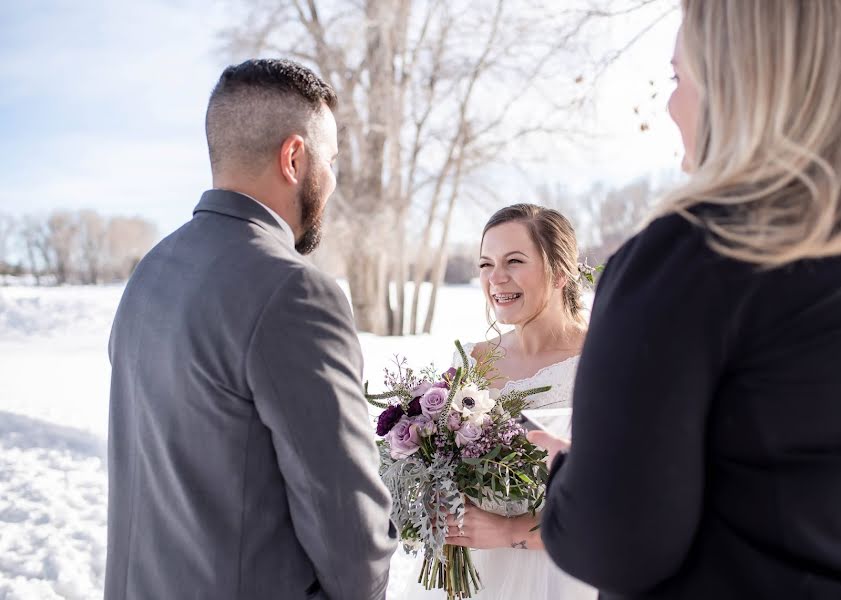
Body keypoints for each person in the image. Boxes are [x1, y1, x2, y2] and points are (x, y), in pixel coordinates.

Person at [536, 1, 841, 598]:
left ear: (738, 82)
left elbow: (614, 542)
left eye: (678, 78)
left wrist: (568, 476)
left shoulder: (692, 259)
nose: (669, 105)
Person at [105, 58, 396, 600]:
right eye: (330, 161)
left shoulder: (150, 271)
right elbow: (347, 524)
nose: (332, 182)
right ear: (294, 157)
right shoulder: (294, 292)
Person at [401, 204, 596, 599]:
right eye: (486, 264)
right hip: (475, 576)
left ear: (562, 271)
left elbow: (617, 497)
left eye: (515, 261)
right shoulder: (469, 361)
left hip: (564, 574)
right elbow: (443, 468)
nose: (496, 278)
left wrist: (510, 531)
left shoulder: (602, 360)